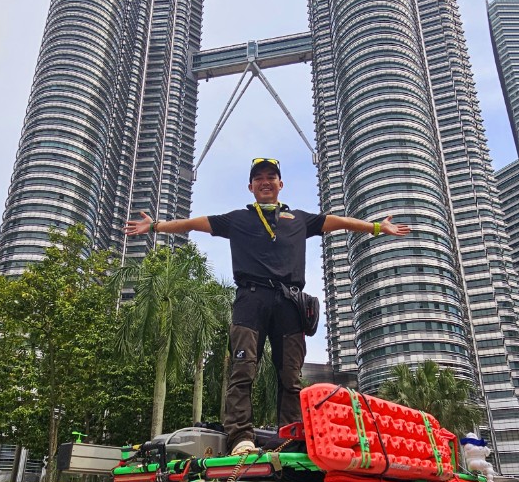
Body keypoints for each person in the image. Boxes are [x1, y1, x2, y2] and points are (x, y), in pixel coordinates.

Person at [124, 156, 411, 454]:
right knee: (242, 371)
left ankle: (290, 439)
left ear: (280, 184)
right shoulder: (237, 219)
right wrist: (155, 226)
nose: (265, 181)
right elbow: (195, 224)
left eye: (271, 176)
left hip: (290, 303)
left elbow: (337, 221)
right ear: (250, 186)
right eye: (259, 177)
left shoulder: (299, 219)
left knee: (290, 376)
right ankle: (240, 439)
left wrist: (377, 227)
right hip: (251, 300)